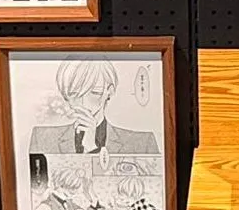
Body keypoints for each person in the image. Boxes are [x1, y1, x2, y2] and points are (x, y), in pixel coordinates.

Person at [27, 60, 160, 158]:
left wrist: (91, 148)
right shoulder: (42, 138)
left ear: (110, 91)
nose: (83, 103)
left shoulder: (143, 143)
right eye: (74, 94)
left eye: (94, 92)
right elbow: (35, 186)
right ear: (65, 95)